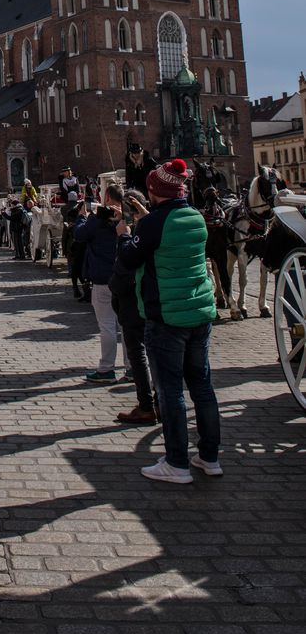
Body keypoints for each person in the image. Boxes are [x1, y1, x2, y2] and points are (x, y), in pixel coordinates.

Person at [116, 157, 221, 484]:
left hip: (166, 317)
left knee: (171, 390)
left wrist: (124, 234)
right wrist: (148, 222)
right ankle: (209, 457)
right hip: (199, 315)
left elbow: (130, 258)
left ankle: (176, 463)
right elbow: (168, 240)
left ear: (155, 191)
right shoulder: (195, 218)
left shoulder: (152, 225)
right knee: (202, 387)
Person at [109, 192, 158, 425]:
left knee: (138, 353)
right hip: (159, 302)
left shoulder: (132, 235)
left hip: (134, 303)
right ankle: (162, 403)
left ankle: (147, 405)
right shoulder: (158, 228)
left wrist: (123, 238)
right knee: (158, 353)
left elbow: (125, 267)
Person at [75, 184, 129, 383]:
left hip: (103, 278)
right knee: (126, 327)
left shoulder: (97, 220)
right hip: (125, 278)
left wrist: (83, 215)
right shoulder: (127, 217)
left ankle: (107, 369)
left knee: (107, 325)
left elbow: (79, 235)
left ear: (106, 197)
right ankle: (133, 368)